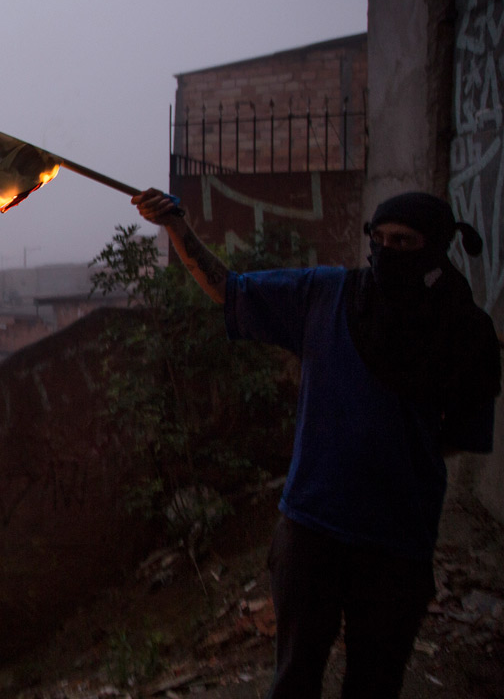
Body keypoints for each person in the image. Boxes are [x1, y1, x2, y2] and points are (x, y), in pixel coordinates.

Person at [134, 188, 499, 699]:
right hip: (311, 532)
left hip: (397, 544)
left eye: (406, 241)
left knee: (375, 681)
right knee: (295, 677)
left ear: (435, 248)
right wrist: (177, 226)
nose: (390, 250)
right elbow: (229, 288)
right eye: (382, 238)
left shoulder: (468, 336)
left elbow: (462, 435)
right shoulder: (327, 295)